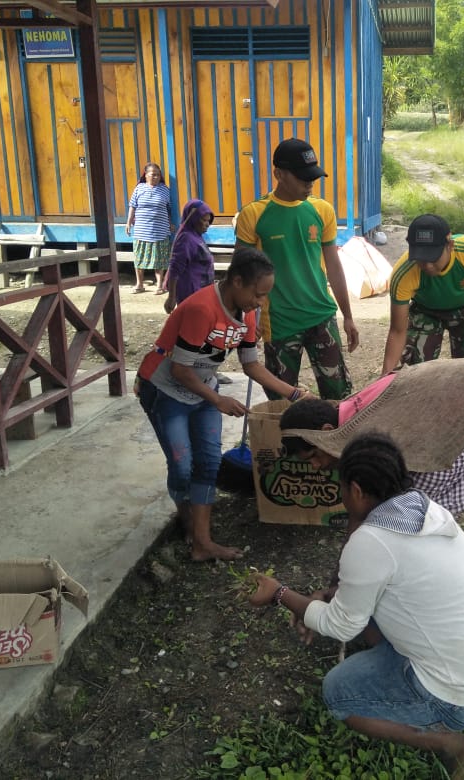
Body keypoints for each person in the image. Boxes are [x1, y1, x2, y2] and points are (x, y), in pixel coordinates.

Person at [248, 433, 464, 780]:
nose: (342, 495)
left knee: (338, 693)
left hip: (458, 697)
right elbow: (364, 590)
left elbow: (341, 626)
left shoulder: (372, 541)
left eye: (342, 487)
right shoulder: (423, 508)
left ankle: (451, 744)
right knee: (368, 609)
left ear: (357, 491)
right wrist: (324, 600)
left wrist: (279, 594)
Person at [134, 246, 311, 562]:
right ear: (238, 281)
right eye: (258, 294)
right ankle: (186, 516)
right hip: (165, 389)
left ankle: (202, 542)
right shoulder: (203, 309)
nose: (261, 303)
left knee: (209, 463)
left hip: (202, 389)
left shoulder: (248, 315)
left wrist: (294, 394)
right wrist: (218, 400)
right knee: (182, 465)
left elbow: (251, 365)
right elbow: (179, 370)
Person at [278, 354, 464, 516]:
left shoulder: (366, 432)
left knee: (418, 509)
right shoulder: (348, 410)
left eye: (312, 456)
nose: (316, 465)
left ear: (327, 433)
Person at [235, 138, 359, 400]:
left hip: (321, 316)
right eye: (302, 177)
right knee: (281, 400)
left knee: (339, 396)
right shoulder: (254, 215)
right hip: (279, 323)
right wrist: (247, 320)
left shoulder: (322, 210)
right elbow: (241, 277)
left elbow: (334, 266)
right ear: (279, 174)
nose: (309, 183)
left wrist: (347, 316)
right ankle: (289, 443)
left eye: (312, 177)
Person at [382, 214, 464, 376]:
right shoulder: (403, 274)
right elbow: (397, 330)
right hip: (425, 311)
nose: (428, 266)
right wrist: (384, 380)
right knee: (415, 372)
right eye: (421, 259)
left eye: (433, 258)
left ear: (450, 246)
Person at [125, 162, 172, 294]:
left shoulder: (165, 189)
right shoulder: (139, 188)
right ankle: (139, 284)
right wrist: (128, 222)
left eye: (158, 175)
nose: (156, 177)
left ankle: (159, 286)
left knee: (159, 259)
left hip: (160, 229)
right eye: (153, 174)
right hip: (141, 229)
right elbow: (132, 206)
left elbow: (169, 208)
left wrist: (170, 222)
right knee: (139, 257)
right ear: (146, 175)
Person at [163, 198, 215, 315]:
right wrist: (172, 297)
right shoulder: (186, 239)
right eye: (204, 220)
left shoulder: (197, 236)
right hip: (191, 293)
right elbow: (175, 269)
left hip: (201, 292)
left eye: (209, 221)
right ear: (194, 219)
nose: (207, 224)